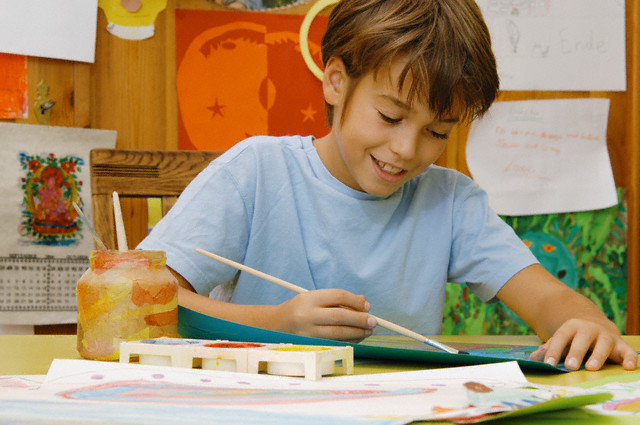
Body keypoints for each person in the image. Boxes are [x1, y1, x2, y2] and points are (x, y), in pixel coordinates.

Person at [138, 0, 637, 371]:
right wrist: (280, 325)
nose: (406, 149)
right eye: (390, 116)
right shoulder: (256, 171)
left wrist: (586, 322)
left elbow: (550, 300)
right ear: (336, 82)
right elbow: (138, 299)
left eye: (437, 132)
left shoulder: (450, 201)